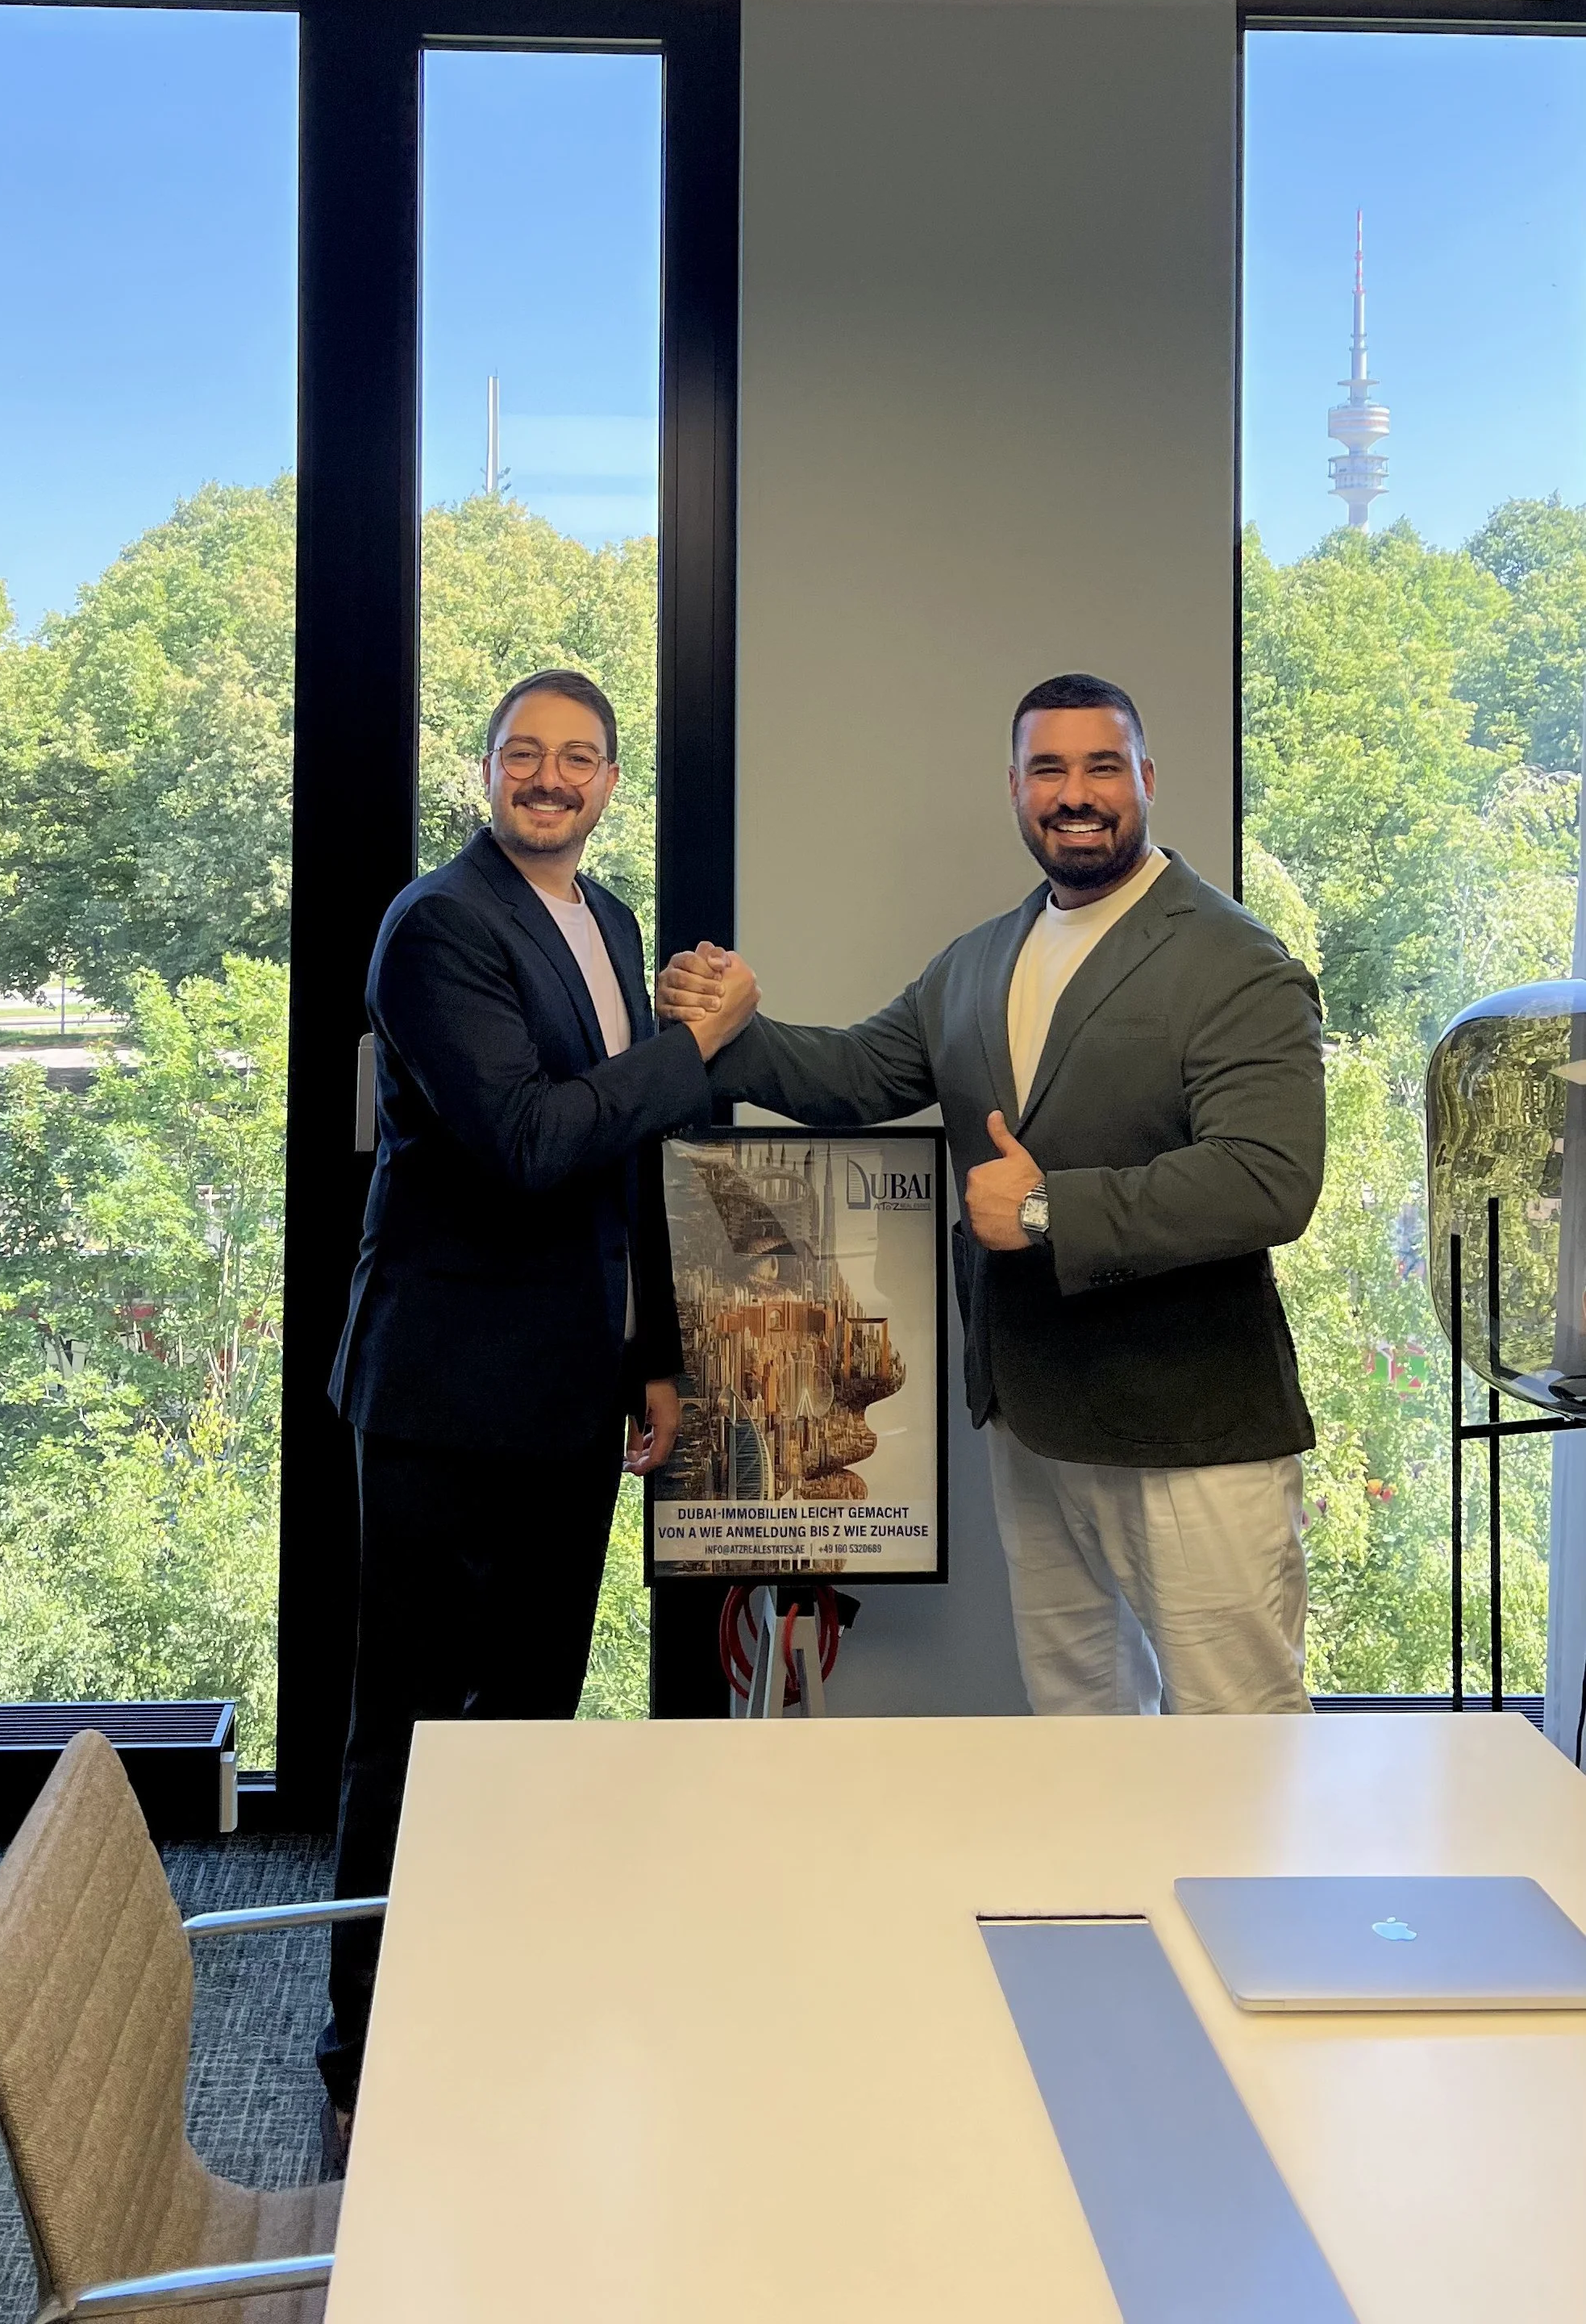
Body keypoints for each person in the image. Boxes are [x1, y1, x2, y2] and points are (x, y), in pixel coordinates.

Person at [657, 673, 1324, 1721]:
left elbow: (1269, 1179)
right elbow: (856, 1076)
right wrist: (733, 1030)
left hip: (1192, 1431)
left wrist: (1051, 1208)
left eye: (1102, 766)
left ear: (1145, 778)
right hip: (1034, 1418)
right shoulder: (979, 962)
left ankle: (1248, 1897)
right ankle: (1108, 1894)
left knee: (1236, 1733)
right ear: (1015, 788)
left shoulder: (1232, 961)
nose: (1076, 792)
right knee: (1076, 1722)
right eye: (1048, 769)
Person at [319, 666, 757, 2137]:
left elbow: (626, 1160)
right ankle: (365, 2050)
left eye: (578, 760)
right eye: (526, 755)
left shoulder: (607, 922)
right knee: (414, 1733)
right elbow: (525, 1140)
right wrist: (694, 1047)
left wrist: (656, 1353)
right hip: (443, 1394)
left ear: (611, 783)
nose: (550, 779)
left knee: (531, 1716)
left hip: (575, 1388)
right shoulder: (437, 926)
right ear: (486, 770)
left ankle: (490, 1995)